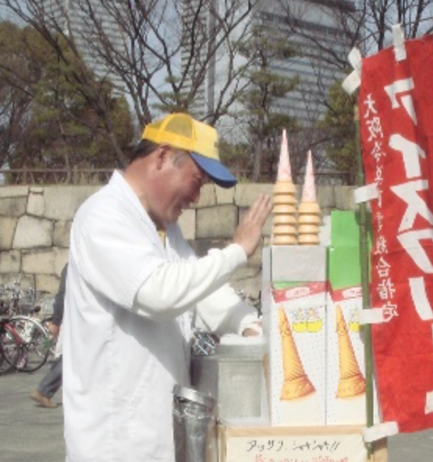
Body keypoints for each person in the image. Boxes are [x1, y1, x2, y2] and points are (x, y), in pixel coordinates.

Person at [63, 113, 272, 462]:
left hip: (156, 439)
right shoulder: (103, 216)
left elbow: (201, 293)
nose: (197, 197)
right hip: (114, 446)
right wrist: (236, 252)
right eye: (197, 181)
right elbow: (157, 293)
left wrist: (250, 325)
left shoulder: (163, 229)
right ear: (162, 156)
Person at [30, 264, 67, 408]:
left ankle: (44, 391)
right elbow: (62, 295)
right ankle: (43, 391)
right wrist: (56, 321)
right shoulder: (76, 265)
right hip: (79, 321)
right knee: (73, 358)